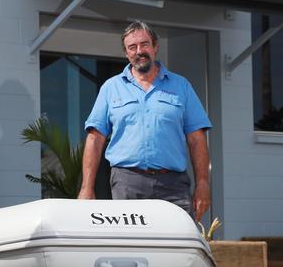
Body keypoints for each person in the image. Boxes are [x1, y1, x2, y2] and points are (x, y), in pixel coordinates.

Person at [77, 21, 211, 222]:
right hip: (127, 183)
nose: (139, 51)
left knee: (177, 247)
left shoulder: (181, 86)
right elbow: (95, 139)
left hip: (173, 185)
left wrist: (203, 184)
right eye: (132, 47)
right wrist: (87, 188)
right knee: (131, 247)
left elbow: (196, 139)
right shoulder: (110, 88)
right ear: (126, 53)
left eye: (144, 44)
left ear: (155, 47)